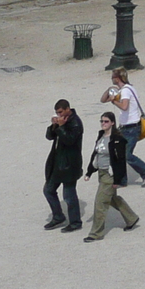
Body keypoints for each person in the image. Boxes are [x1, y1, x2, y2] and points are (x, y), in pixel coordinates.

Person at [82, 111, 140, 241]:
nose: (103, 123)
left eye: (106, 121)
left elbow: (120, 162)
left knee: (100, 202)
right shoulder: (101, 135)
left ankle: (96, 233)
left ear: (112, 123)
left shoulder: (118, 140)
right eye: (102, 121)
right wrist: (89, 172)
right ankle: (131, 218)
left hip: (110, 175)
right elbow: (96, 155)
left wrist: (118, 180)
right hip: (102, 174)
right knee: (112, 199)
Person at [101, 68, 145, 185]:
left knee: (126, 155)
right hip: (125, 128)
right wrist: (109, 90)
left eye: (113, 76)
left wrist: (114, 101)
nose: (111, 78)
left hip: (132, 128)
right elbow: (102, 100)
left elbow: (124, 106)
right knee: (118, 154)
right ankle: (121, 179)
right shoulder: (127, 89)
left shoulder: (125, 91)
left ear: (117, 78)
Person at [43, 99, 85, 232]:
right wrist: (54, 126)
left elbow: (69, 141)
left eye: (60, 112)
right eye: (57, 113)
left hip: (70, 165)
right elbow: (49, 137)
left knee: (69, 195)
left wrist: (61, 127)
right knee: (48, 190)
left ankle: (75, 222)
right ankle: (58, 216)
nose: (59, 115)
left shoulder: (76, 123)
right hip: (57, 163)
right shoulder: (62, 121)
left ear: (68, 109)